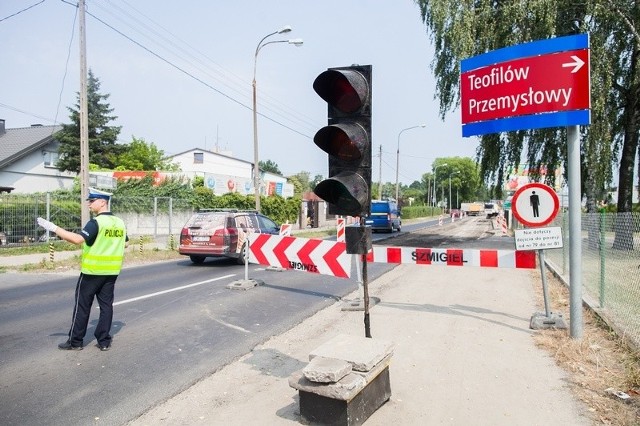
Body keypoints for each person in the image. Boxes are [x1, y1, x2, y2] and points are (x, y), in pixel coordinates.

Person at [37, 188, 128, 351]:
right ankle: (104, 341)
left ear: (102, 202)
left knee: (83, 306)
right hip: (111, 272)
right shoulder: (120, 223)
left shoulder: (96, 223)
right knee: (106, 306)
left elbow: (78, 239)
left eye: (92, 201)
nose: (89, 204)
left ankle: (76, 342)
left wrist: (53, 227)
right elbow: (125, 243)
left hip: (91, 273)